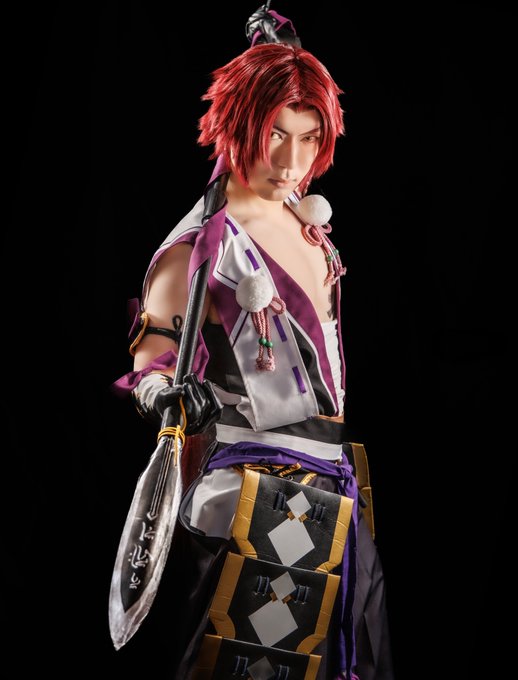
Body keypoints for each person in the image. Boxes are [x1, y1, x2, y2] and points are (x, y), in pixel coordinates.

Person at [112, 8, 394, 680]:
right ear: (240, 126)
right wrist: (163, 394)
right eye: (275, 134)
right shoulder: (199, 247)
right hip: (250, 497)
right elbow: (153, 352)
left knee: (355, 662)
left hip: (338, 488)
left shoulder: (310, 227)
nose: (293, 161)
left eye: (310, 136)